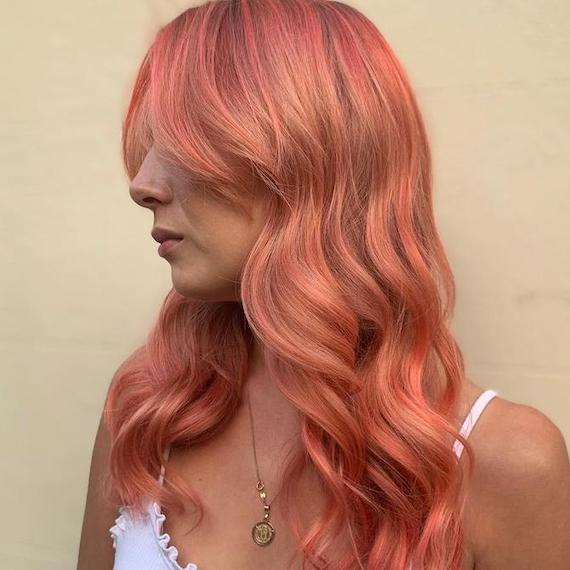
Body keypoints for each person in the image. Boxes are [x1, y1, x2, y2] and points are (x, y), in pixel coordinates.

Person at [77, 1, 570, 569]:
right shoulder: (148, 411)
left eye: (182, 142)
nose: (140, 185)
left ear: (304, 155)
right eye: (148, 147)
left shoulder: (505, 462)